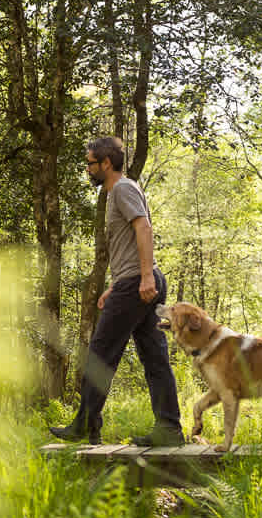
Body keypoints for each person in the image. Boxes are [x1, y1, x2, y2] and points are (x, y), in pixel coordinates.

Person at [49, 136, 184, 447]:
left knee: (99, 354)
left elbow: (143, 227)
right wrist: (115, 285)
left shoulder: (122, 188)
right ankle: (169, 428)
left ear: (105, 164)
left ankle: (86, 425)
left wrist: (144, 277)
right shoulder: (120, 191)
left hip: (138, 282)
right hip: (133, 281)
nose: (87, 169)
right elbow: (127, 244)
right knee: (154, 357)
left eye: (90, 163)